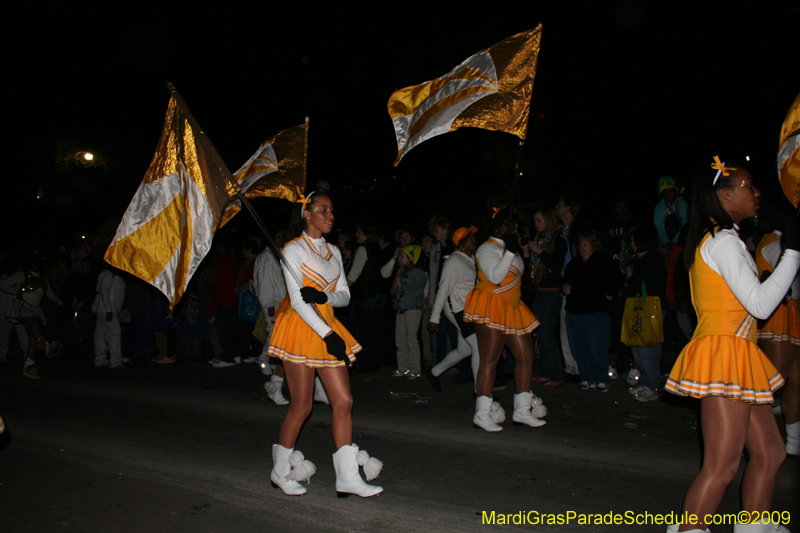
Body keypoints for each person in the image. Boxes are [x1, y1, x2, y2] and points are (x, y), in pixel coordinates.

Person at [664, 157, 799, 533]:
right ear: (724, 196)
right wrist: (793, 251)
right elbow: (759, 304)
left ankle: (755, 528)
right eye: (748, 185)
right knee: (721, 467)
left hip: (737, 355)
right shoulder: (722, 241)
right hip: (725, 356)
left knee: (771, 452)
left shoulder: (721, 239)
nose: (756, 192)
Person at [267, 191, 383, 498]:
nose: (330, 215)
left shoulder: (332, 250)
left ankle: (346, 478)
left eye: (332, 209)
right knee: (302, 405)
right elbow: (296, 300)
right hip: (302, 328)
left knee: (343, 401)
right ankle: (279, 473)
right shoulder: (293, 250)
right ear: (307, 213)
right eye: (323, 209)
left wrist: (324, 297)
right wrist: (326, 333)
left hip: (328, 324)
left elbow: (344, 294)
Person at [464, 208, 547, 432]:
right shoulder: (487, 248)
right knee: (490, 359)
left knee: (526, 356)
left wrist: (519, 253)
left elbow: (522, 279)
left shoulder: (510, 248)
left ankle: (521, 411)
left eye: (516, 226)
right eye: (509, 225)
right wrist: (510, 252)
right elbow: (495, 277)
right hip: (491, 306)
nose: (513, 229)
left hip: (512, 307)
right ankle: (481, 414)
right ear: (497, 226)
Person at [754, 208, 800, 456]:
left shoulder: (777, 241)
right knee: (772, 383)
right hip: (779, 318)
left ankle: (794, 442)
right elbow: (789, 282)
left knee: (795, 381)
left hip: (790, 317)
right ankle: (744, 438)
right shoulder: (774, 243)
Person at [563, 230, 621, 392]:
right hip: (575, 311)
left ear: (593, 245)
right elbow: (565, 279)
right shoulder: (575, 263)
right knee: (578, 347)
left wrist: (608, 295)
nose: (582, 247)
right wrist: (565, 286)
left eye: (585, 244)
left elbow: (617, 280)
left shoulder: (603, 262)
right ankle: (586, 377)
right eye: (580, 244)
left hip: (596, 312)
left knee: (597, 347)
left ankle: (601, 378)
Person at [427, 226, 480, 392]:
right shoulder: (454, 261)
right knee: (479, 347)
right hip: (457, 309)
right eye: (472, 237)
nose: (475, 240)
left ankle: (434, 372)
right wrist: (434, 317)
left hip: (467, 309)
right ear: (465, 242)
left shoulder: (469, 258)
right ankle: (481, 393)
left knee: (464, 349)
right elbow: (443, 290)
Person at [622, 226, 667, 402]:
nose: (631, 244)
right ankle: (647, 382)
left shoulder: (652, 261)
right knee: (638, 349)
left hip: (649, 310)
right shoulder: (641, 261)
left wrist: (631, 277)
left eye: (633, 240)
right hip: (640, 310)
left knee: (648, 350)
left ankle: (652, 386)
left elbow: (645, 286)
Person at [526, 208, 568, 389]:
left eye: (539, 220)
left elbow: (556, 265)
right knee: (540, 334)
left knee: (547, 334)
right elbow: (532, 269)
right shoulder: (539, 240)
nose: (536, 224)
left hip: (552, 292)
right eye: (535, 220)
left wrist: (539, 251)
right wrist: (528, 252)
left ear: (548, 221)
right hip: (540, 290)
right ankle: (545, 373)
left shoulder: (557, 241)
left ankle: (557, 376)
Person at [388, 245, 426, 379]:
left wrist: (400, 286)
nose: (400, 258)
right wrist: (396, 288)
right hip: (400, 309)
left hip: (412, 310)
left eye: (403, 256)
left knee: (411, 340)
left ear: (411, 258)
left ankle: (415, 370)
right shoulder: (400, 271)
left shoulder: (419, 273)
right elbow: (394, 292)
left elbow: (416, 292)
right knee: (400, 341)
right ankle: (403, 368)